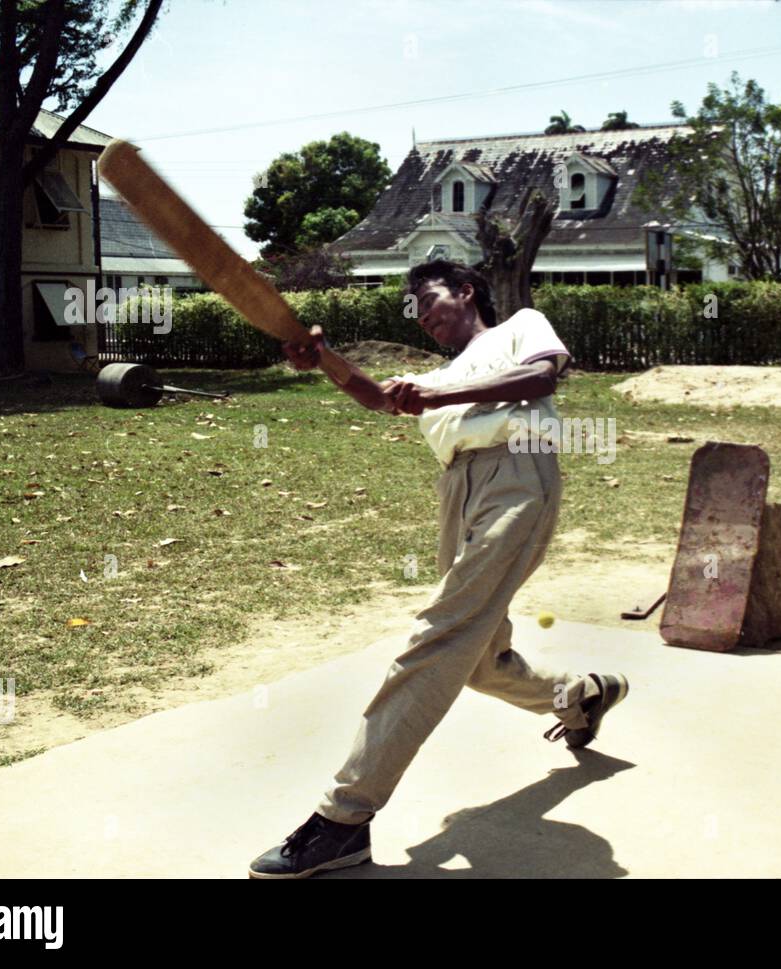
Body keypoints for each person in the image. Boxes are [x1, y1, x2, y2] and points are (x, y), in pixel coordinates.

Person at [248, 260, 629, 878]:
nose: (423, 316)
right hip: (459, 489)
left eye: (430, 301)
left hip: (518, 471)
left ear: (466, 291)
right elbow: (380, 397)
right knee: (479, 661)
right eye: (417, 312)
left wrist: (438, 396)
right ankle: (579, 695)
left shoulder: (519, 328)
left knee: (440, 636)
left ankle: (344, 817)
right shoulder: (438, 372)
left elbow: (538, 380)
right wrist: (324, 359)